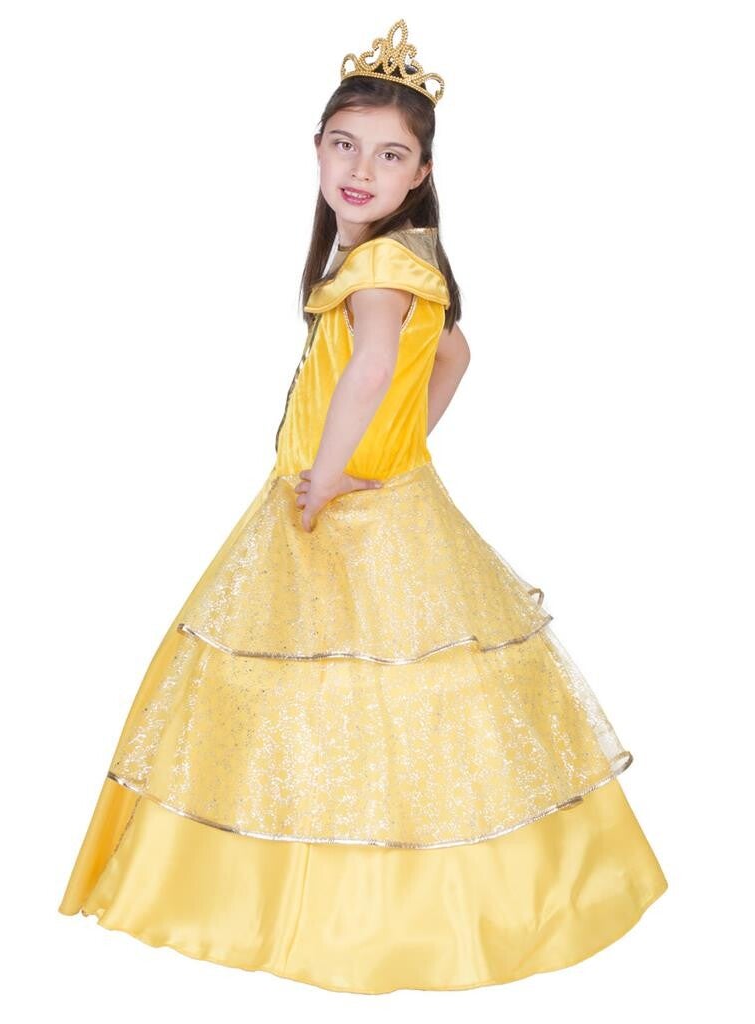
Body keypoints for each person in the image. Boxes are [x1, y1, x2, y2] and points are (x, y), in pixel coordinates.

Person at [58, 19, 668, 994]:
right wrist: (399, 448)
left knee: (312, 692)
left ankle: (338, 906)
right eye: (343, 145)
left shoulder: (379, 267)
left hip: (345, 512)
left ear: (420, 173)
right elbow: (453, 353)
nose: (359, 169)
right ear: (315, 147)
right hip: (392, 500)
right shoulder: (405, 257)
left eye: (388, 156)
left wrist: (339, 470)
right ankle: (380, 894)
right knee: (375, 695)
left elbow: (377, 365)